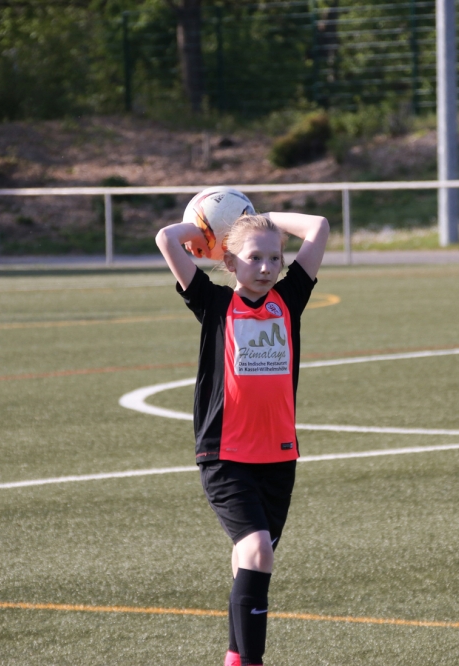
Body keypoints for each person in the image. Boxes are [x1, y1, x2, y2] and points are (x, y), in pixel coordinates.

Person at [155, 210, 329, 666]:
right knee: (257, 551)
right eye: (254, 258)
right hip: (226, 454)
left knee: (249, 557)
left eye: (275, 258)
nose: (267, 267)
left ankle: (235, 656)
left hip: (279, 456)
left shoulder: (288, 299)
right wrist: (209, 231)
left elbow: (318, 227)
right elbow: (167, 238)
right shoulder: (214, 304)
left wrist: (264, 218)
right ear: (230, 262)